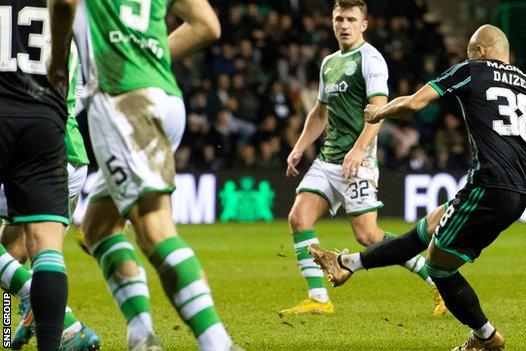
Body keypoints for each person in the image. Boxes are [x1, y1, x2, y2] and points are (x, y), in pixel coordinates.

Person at [310, 24, 526, 351]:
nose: (467, 57)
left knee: (437, 266)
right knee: (426, 231)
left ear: (480, 51)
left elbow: (414, 103)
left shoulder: (472, 70)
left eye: (470, 51)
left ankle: (485, 337)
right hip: (518, 192)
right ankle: (346, 265)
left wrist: (378, 112)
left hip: (488, 186)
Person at [48, 0, 242, 350]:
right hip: (166, 97)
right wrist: (147, 60)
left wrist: (57, 62)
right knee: (98, 227)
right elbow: (207, 25)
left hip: (122, 100)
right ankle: (141, 334)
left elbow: (63, 4)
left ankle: (218, 343)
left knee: (154, 230)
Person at [280, 0, 445, 317]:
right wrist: (300, 146)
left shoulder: (371, 60)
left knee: (368, 235)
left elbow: (379, 109)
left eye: (351, 19)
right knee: (298, 218)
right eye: (338, 18)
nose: (344, 25)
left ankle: (438, 283)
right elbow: (319, 112)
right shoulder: (329, 63)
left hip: (359, 160)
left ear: (364, 24)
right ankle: (318, 299)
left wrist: (358, 149)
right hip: (328, 158)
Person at [0, 41, 100, 349]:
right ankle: (19, 325)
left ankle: (52, 313)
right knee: (21, 252)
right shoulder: (71, 26)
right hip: (67, 149)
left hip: (20, 139)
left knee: (19, 262)